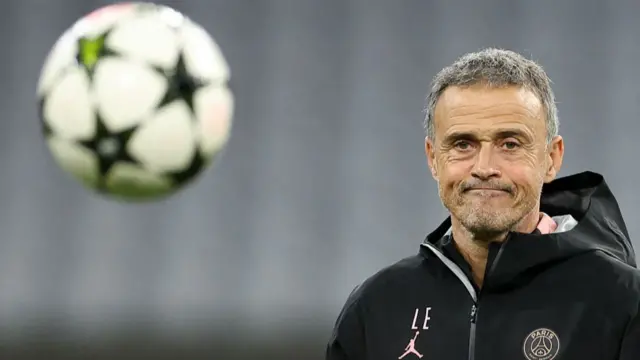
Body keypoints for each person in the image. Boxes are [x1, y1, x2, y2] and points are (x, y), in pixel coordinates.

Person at [325, 48, 640, 360]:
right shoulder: (376, 308)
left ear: (551, 159)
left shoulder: (623, 303)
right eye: (463, 144)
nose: (485, 166)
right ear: (433, 158)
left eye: (510, 144)